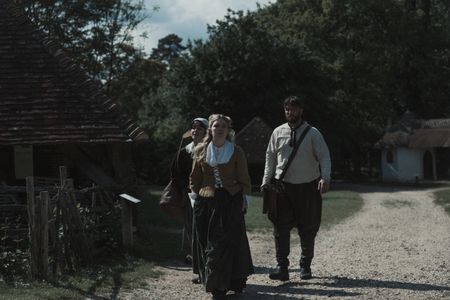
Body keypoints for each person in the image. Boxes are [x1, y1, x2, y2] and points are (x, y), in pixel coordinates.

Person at [261, 95, 331, 281]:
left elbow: (324, 156)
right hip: (282, 187)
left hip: (308, 187)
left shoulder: (313, 133)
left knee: (308, 228)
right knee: (280, 227)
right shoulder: (277, 132)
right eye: (286, 109)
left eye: (293, 109)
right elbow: (270, 157)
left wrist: (325, 177)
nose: (289, 112)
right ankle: (282, 267)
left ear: (301, 110)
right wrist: (266, 180)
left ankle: (305, 266)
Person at [190, 114, 254, 300]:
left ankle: (220, 287)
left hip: (229, 201)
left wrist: (245, 200)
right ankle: (214, 280)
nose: (219, 128)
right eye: (216, 125)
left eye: (223, 126)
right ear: (210, 129)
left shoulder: (236, 151)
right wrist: (195, 199)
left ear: (228, 130)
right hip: (206, 202)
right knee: (208, 243)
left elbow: (244, 179)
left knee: (224, 244)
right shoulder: (201, 150)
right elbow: (194, 178)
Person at [171, 117, 208, 266]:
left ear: (206, 132)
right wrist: (184, 189)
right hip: (189, 194)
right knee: (190, 225)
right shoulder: (184, 151)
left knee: (205, 226)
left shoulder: (210, 149)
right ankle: (192, 256)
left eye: (199, 128)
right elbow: (175, 173)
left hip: (208, 193)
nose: (195, 130)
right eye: (193, 128)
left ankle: (205, 256)